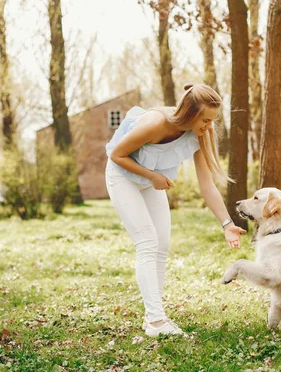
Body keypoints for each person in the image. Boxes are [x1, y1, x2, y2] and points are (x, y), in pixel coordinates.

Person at [105, 83, 247, 337]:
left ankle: (153, 318)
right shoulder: (154, 123)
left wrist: (227, 225)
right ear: (190, 113)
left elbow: (207, 185)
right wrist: (152, 176)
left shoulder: (201, 132)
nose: (208, 127)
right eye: (205, 120)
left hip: (151, 181)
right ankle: (158, 321)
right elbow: (117, 154)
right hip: (122, 176)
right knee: (147, 241)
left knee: (161, 245)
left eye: (212, 120)